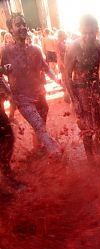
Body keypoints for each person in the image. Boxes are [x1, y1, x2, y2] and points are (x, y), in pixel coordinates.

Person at [0, 13, 60, 155]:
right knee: (39, 125)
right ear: (10, 30)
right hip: (22, 98)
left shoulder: (35, 49)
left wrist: (59, 81)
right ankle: (56, 152)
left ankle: (37, 150)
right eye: (17, 25)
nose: (22, 27)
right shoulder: (5, 51)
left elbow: (45, 68)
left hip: (40, 96)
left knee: (40, 126)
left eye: (24, 24)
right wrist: (8, 93)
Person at [65, 15, 100, 160]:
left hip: (96, 88)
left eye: (92, 33)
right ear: (80, 30)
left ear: (97, 31)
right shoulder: (73, 47)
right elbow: (67, 75)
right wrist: (74, 100)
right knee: (86, 126)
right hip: (80, 90)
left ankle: (99, 143)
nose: (88, 36)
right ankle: (89, 157)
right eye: (85, 33)